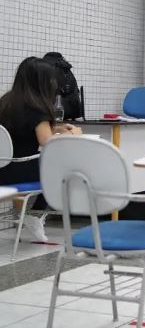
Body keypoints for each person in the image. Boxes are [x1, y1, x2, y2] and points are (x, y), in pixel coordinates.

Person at [0, 57, 82, 241]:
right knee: (62, 168)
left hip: (3, 171)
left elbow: (22, 131)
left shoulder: (5, 102)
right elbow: (47, 141)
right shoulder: (37, 108)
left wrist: (58, 128)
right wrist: (73, 133)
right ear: (42, 82)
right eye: (51, 79)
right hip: (21, 174)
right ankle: (35, 214)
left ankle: (30, 216)